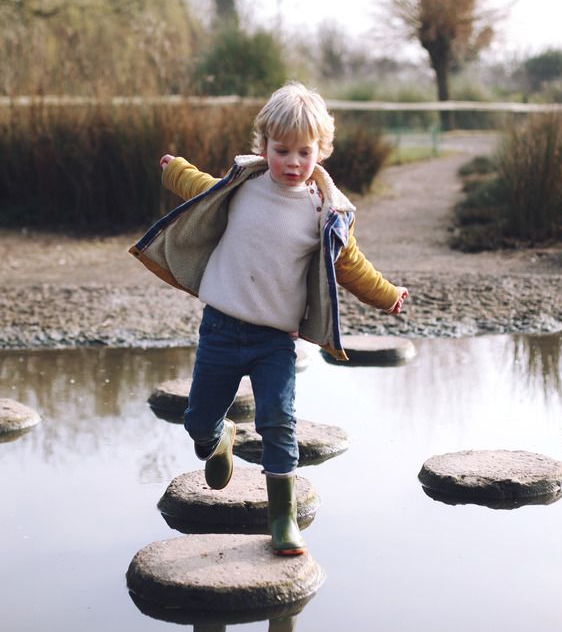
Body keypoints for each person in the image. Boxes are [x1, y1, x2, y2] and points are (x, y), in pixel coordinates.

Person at [130, 82, 409, 556]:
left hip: (275, 341)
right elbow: (202, 190)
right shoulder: (244, 187)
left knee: (279, 421)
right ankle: (219, 439)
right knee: (198, 421)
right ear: (264, 146)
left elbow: (351, 265)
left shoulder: (324, 213)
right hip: (221, 329)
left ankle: (282, 520)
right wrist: (175, 170)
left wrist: (388, 296)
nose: (294, 162)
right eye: (282, 150)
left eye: (305, 152)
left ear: (321, 151)